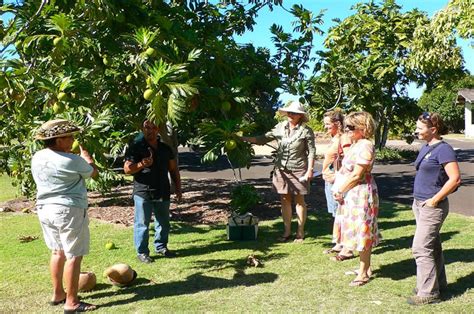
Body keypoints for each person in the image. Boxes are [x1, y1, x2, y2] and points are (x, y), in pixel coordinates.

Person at [31, 119, 98, 312]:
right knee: (74, 255)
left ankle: (58, 293)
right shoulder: (73, 160)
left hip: (45, 209)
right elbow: (93, 173)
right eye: (69, 137)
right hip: (68, 210)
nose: (72, 140)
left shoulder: (38, 156)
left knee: (57, 251)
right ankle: (72, 302)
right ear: (58, 140)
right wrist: (87, 158)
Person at [241, 101, 316, 243]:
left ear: (300, 116)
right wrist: (243, 138)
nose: (290, 115)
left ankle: (300, 232)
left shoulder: (306, 131)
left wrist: (309, 170)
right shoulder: (279, 128)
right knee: (284, 200)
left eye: (294, 113)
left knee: (300, 200)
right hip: (281, 169)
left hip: (299, 169)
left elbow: (311, 152)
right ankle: (287, 232)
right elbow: (262, 139)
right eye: (289, 112)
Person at [407, 112, 461, 305]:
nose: (416, 131)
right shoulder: (427, 147)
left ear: (433, 129)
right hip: (419, 203)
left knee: (421, 248)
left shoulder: (444, 149)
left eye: (420, 128)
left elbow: (455, 179)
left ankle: (428, 293)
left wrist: (435, 199)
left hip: (432, 206)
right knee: (433, 245)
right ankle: (439, 283)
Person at [124, 119, 182, 263]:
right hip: (143, 191)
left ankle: (161, 247)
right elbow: (127, 169)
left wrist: (178, 188)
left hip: (162, 189)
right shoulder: (136, 147)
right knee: (142, 223)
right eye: (146, 127)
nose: (149, 130)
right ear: (142, 129)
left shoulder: (165, 148)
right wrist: (141, 164)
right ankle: (142, 252)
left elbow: (173, 169)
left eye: (153, 127)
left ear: (158, 129)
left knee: (163, 222)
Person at [332, 111, 380, 286]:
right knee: (356, 230)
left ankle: (363, 273)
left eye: (351, 127)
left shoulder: (365, 145)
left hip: (360, 194)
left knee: (363, 232)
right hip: (353, 194)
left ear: (363, 127)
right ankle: (365, 268)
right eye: (346, 127)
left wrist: (341, 190)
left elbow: (358, 175)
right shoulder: (356, 144)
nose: (348, 130)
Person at [320, 110, 354, 261]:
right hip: (331, 181)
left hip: (338, 181)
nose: (325, 126)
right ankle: (339, 243)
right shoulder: (334, 138)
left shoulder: (344, 138)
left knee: (344, 213)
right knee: (337, 214)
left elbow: (349, 160)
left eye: (328, 124)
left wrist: (338, 177)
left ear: (337, 124)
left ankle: (347, 247)